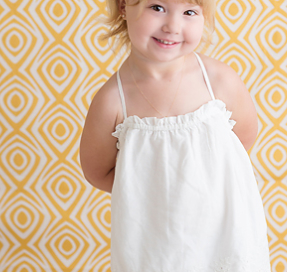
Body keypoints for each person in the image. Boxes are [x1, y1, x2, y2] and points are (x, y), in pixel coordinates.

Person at [79, 0, 271, 270]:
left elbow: (243, 138)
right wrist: (154, 190)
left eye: (189, 12)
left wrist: (202, 182)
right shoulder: (112, 102)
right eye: (157, 7)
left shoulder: (218, 80)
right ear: (123, 6)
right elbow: (97, 170)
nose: (172, 26)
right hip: (155, 239)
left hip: (226, 228)